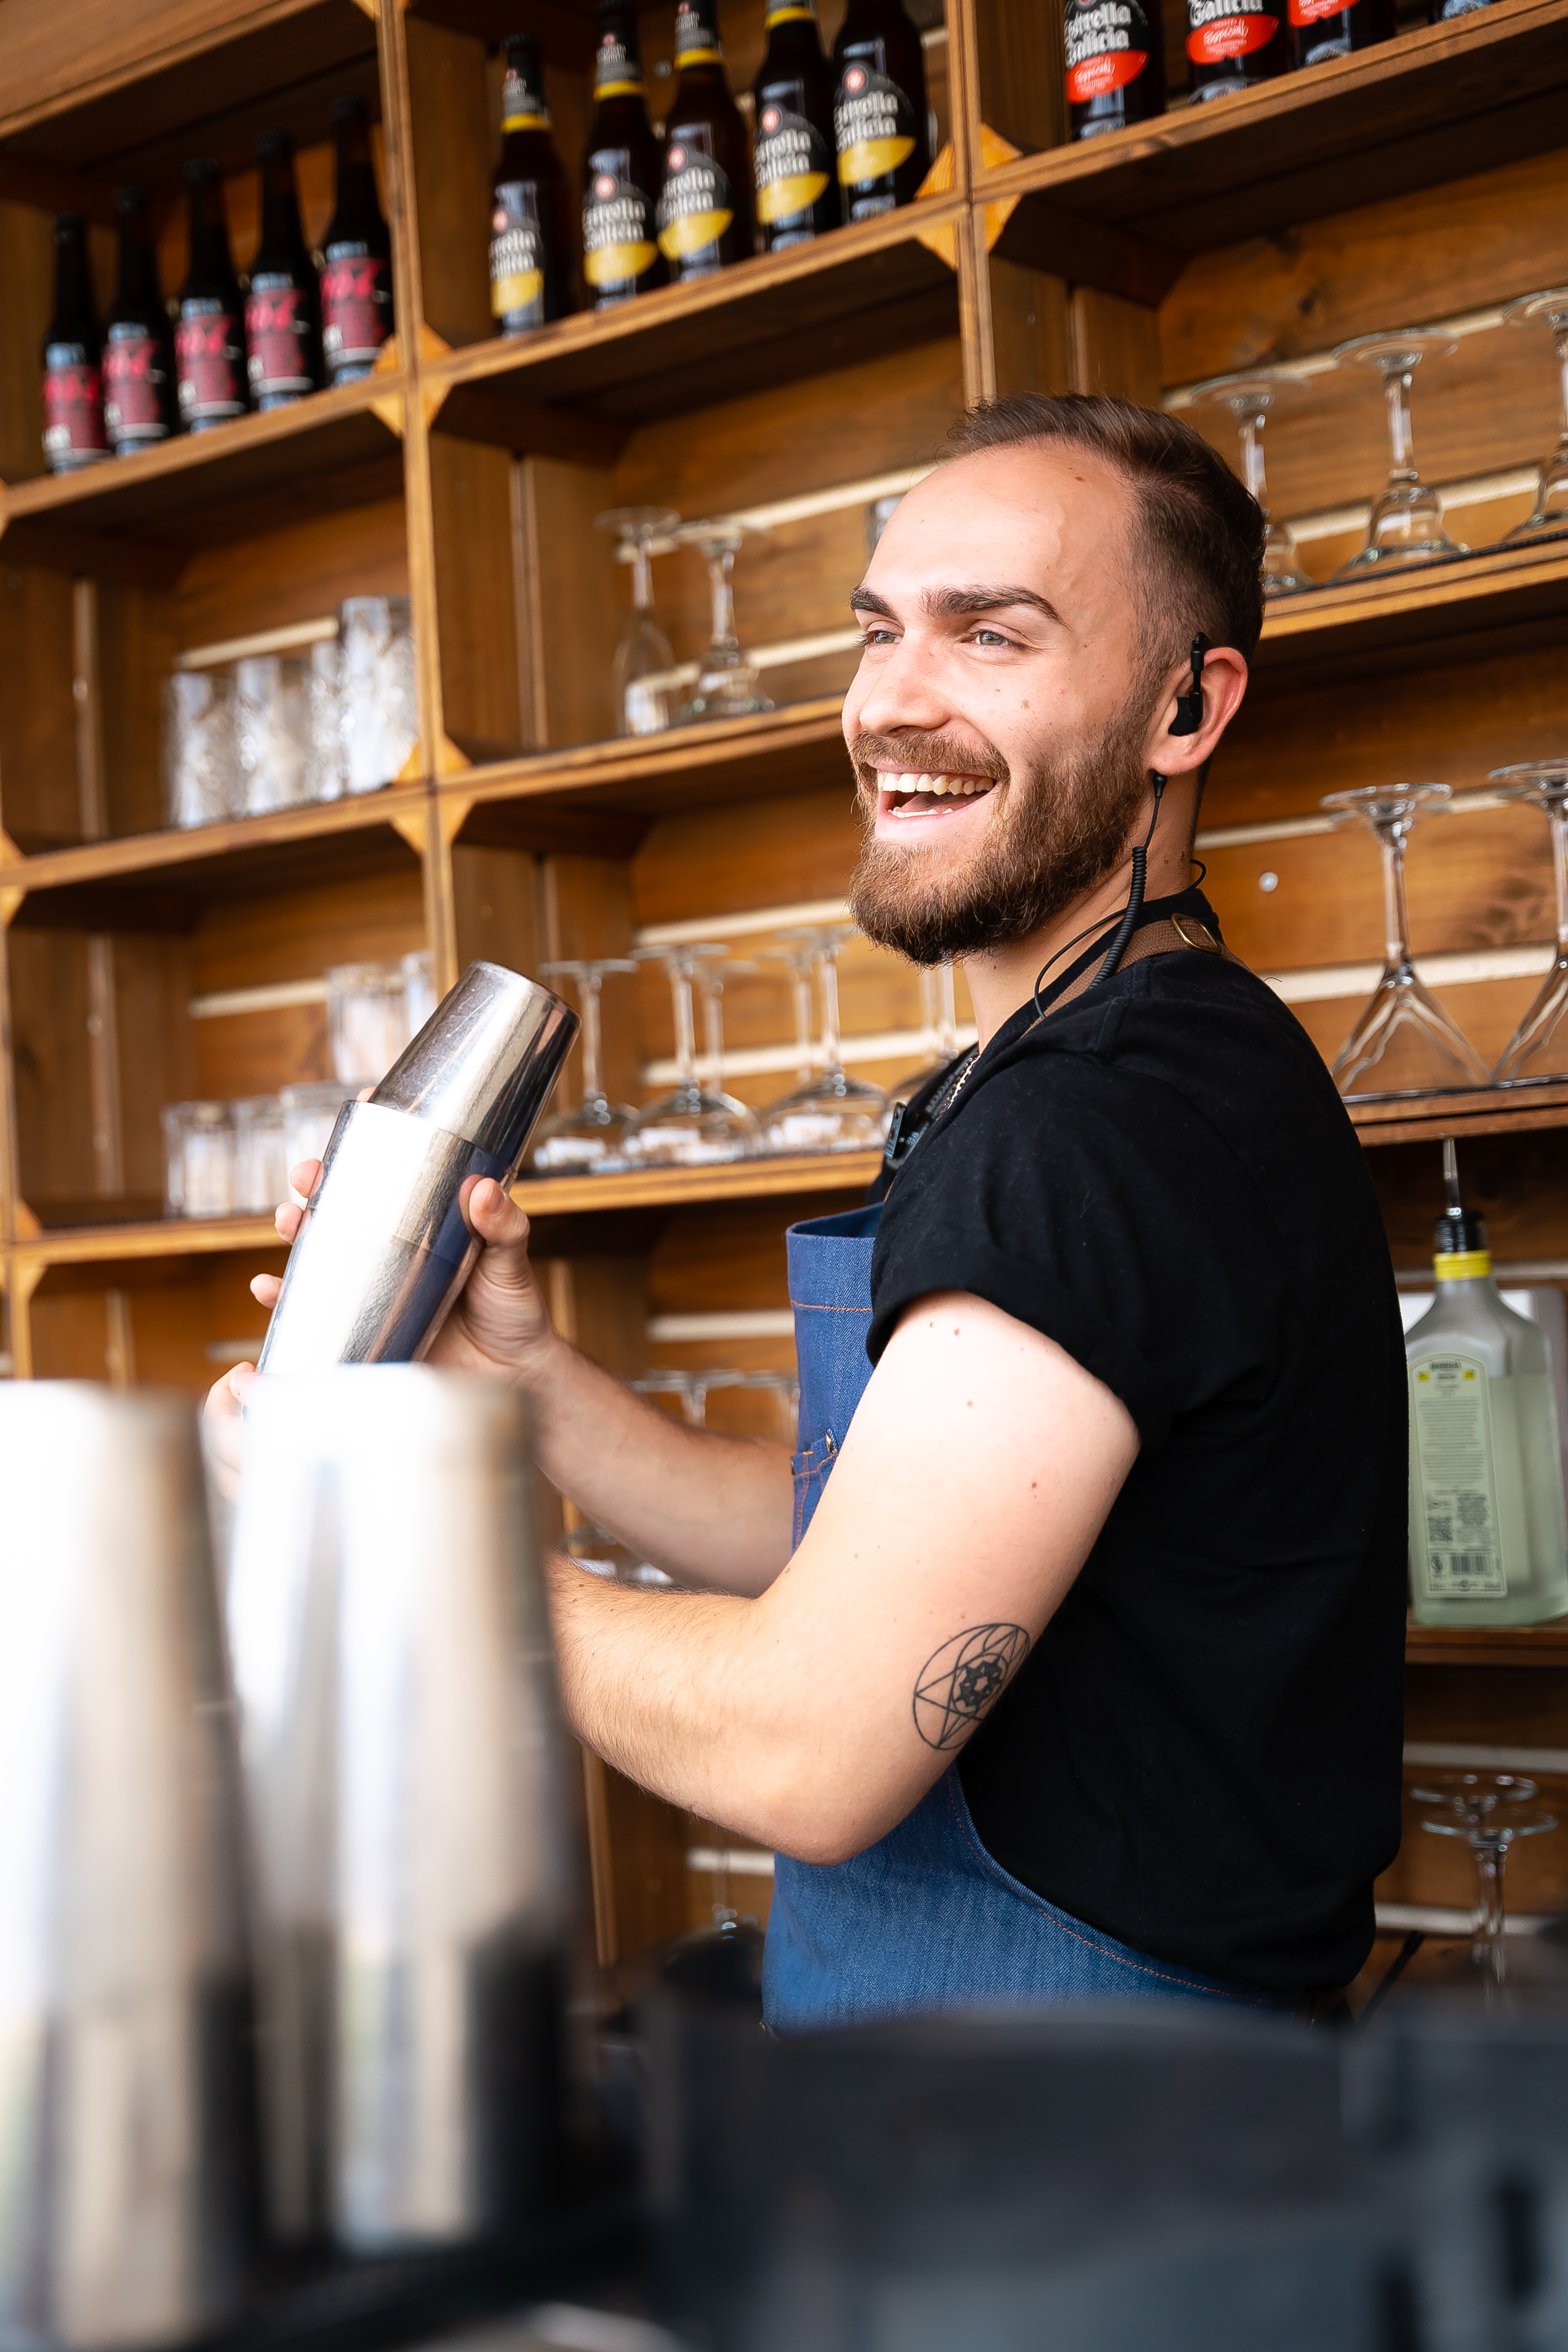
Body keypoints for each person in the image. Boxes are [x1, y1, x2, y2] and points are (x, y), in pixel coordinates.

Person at [210, 392, 1408, 2033]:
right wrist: (527, 1388)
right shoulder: (1100, 1065)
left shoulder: (1101, 1123)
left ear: (1183, 708)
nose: (893, 704)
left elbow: (811, 1743)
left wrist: (375, 1533)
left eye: (990, 636)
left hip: (1075, 2143)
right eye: (878, 632)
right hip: (1017, 2120)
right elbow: (866, 1555)